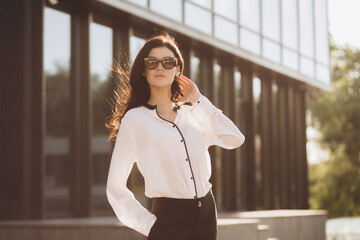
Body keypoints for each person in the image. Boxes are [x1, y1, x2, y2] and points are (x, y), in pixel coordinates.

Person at [105, 33, 245, 240]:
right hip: (169, 220)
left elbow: (235, 138)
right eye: (152, 62)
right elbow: (115, 187)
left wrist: (198, 100)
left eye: (168, 62)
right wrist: (149, 226)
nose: (160, 67)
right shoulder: (135, 120)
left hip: (207, 213)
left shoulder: (193, 113)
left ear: (178, 69)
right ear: (144, 70)